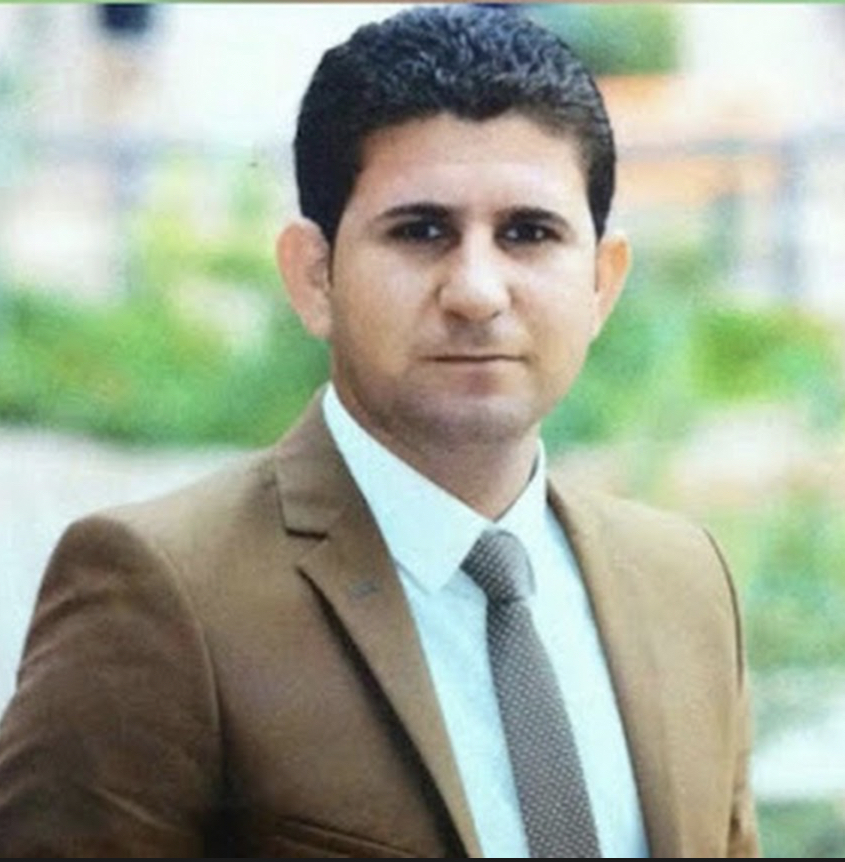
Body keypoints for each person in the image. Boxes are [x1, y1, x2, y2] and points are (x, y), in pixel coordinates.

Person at [0, 5, 761, 858]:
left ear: (601, 282)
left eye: (528, 233)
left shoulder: (685, 582)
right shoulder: (164, 593)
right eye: (421, 231)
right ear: (314, 276)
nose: (477, 291)